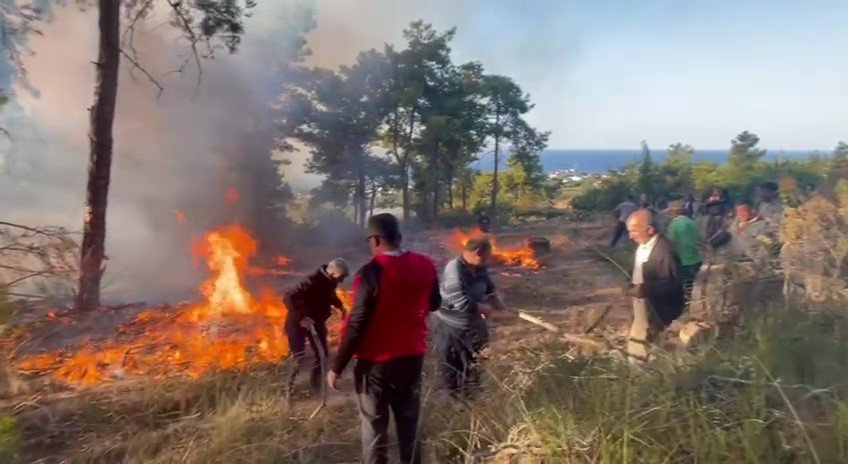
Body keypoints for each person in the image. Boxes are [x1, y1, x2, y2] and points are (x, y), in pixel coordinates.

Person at [327, 213, 440, 464]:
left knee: (375, 428)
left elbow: (356, 324)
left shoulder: (370, 272)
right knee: (409, 422)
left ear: (375, 240)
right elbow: (434, 303)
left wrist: (336, 367)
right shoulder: (426, 264)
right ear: (399, 237)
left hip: (375, 365)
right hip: (412, 358)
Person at [432, 235, 509, 398]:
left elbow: (489, 288)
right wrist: (489, 311)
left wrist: (498, 301)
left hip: (473, 325)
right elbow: (463, 304)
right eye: (486, 256)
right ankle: (454, 401)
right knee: (453, 367)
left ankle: (472, 397)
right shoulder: (454, 270)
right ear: (478, 252)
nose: (487, 260)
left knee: (475, 364)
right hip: (451, 327)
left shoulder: (480, 266)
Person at [625, 209, 685, 362]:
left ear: (650, 229)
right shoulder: (645, 245)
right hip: (643, 303)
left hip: (657, 308)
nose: (630, 236)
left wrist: (645, 289)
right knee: (639, 337)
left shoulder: (664, 251)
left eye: (634, 231)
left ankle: (646, 369)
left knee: (651, 341)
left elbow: (673, 283)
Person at [283, 258, 349, 395]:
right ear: (332, 274)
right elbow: (288, 297)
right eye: (341, 277)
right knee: (298, 357)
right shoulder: (312, 281)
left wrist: (341, 306)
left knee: (322, 354)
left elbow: (330, 295)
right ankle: (288, 389)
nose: (341, 281)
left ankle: (315, 387)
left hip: (316, 323)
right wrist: (302, 317)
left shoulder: (329, 282)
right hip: (297, 323)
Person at [664, 200, 702, 305]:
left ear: (673, 212)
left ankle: (687, 305)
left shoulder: (674, 225)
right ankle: (696, 303)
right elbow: (700, 237)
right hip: (696, 257)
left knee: (684, 284)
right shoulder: (692, 222)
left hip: (682, 259)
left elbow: (669, 242)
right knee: (695, 283)